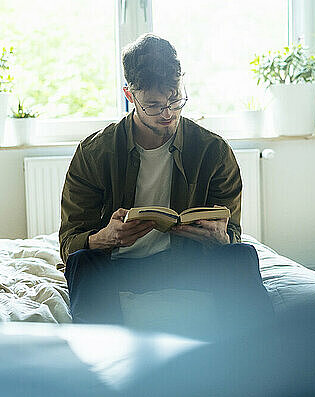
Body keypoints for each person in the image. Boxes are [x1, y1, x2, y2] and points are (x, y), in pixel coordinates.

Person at [59, 34, 273, 332]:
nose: (168, 113)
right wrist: (106, 237)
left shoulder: (213, 150)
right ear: (130, 95)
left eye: (175, 100)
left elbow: (233, 231)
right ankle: (104, 365)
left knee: (240, 256)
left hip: (187, 263)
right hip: (119, 266)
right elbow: (69, 243)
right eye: (154, 105)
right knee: (83, 263)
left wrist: (220, 239)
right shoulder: (94, 152)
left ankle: (256, 362)